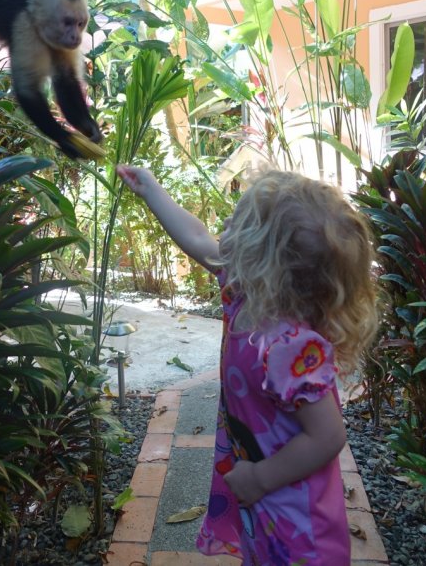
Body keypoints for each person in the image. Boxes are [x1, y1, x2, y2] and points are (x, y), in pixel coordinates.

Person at [116, 165, 378, 566]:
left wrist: (260, 479)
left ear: (262, 260)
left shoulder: (288, 347)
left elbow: (327, 437)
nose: (224, 224)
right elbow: (196, 238)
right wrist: (151, 189)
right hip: (263, 497)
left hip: (299, 525)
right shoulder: (244, 295)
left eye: (237, 222)